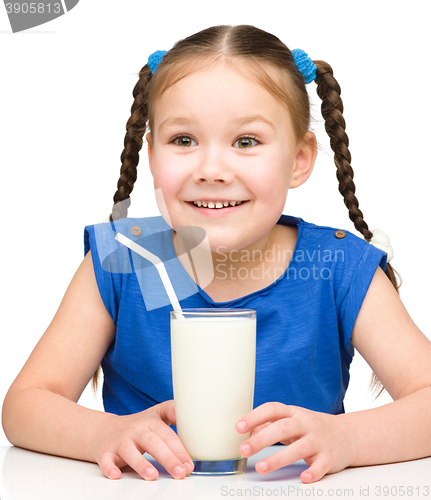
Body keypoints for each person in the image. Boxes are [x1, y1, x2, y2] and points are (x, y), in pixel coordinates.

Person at [2, 25, 431, 485]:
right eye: (183, 140)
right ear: (151, 154)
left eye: (246, 142)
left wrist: (348, 438)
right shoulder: (125, 262)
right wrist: (101, 432)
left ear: (301, 159)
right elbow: (25, 405)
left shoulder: (337, 268)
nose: (211, 170)